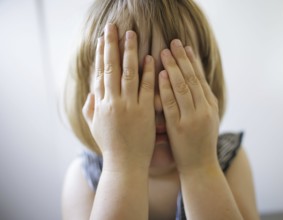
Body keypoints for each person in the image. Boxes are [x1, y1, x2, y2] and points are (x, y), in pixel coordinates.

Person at [61, 0, 259, 219]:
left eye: (176, 79)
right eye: (129, 85)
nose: (156, 103)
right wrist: (123, 166)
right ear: (90, 100)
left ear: (207, 81)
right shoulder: (83, 178)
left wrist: (201, 169)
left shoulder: (228, 160)